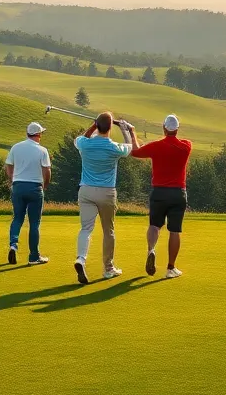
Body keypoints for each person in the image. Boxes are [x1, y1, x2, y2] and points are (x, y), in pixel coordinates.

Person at [73, 111, 135, 284]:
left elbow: (81, 138)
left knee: (86, 228)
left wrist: (92, 125)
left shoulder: (85, 144)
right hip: (106, 192)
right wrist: (126, 129)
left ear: (97, 127)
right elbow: (129, 148)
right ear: (110, 128)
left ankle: (81, 259)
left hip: (85, 190)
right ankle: (108, 268)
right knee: (108, 230)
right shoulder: (113, 147)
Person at [131, 114, 191, 279]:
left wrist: (131, 132)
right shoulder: (186, 146)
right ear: (177, 129)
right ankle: (170, 268)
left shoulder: (156, 146)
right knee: (174, 230)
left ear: (164, 128)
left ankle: (151, 250)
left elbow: (135, 151)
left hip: (159, 192)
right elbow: (174, 141)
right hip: (178, 193)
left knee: (154, 225)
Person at [4, 121, 52, 265]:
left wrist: (13, 180)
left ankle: (13, 245)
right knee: (34, 223)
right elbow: (47, 171)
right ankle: (34, 256)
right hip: (35, 188)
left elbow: (8, 166)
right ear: (38, 135)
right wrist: (45, 185)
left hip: (18, 186)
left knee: (17, 218)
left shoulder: (16, 147)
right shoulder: (42, 150)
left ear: (27, 134)